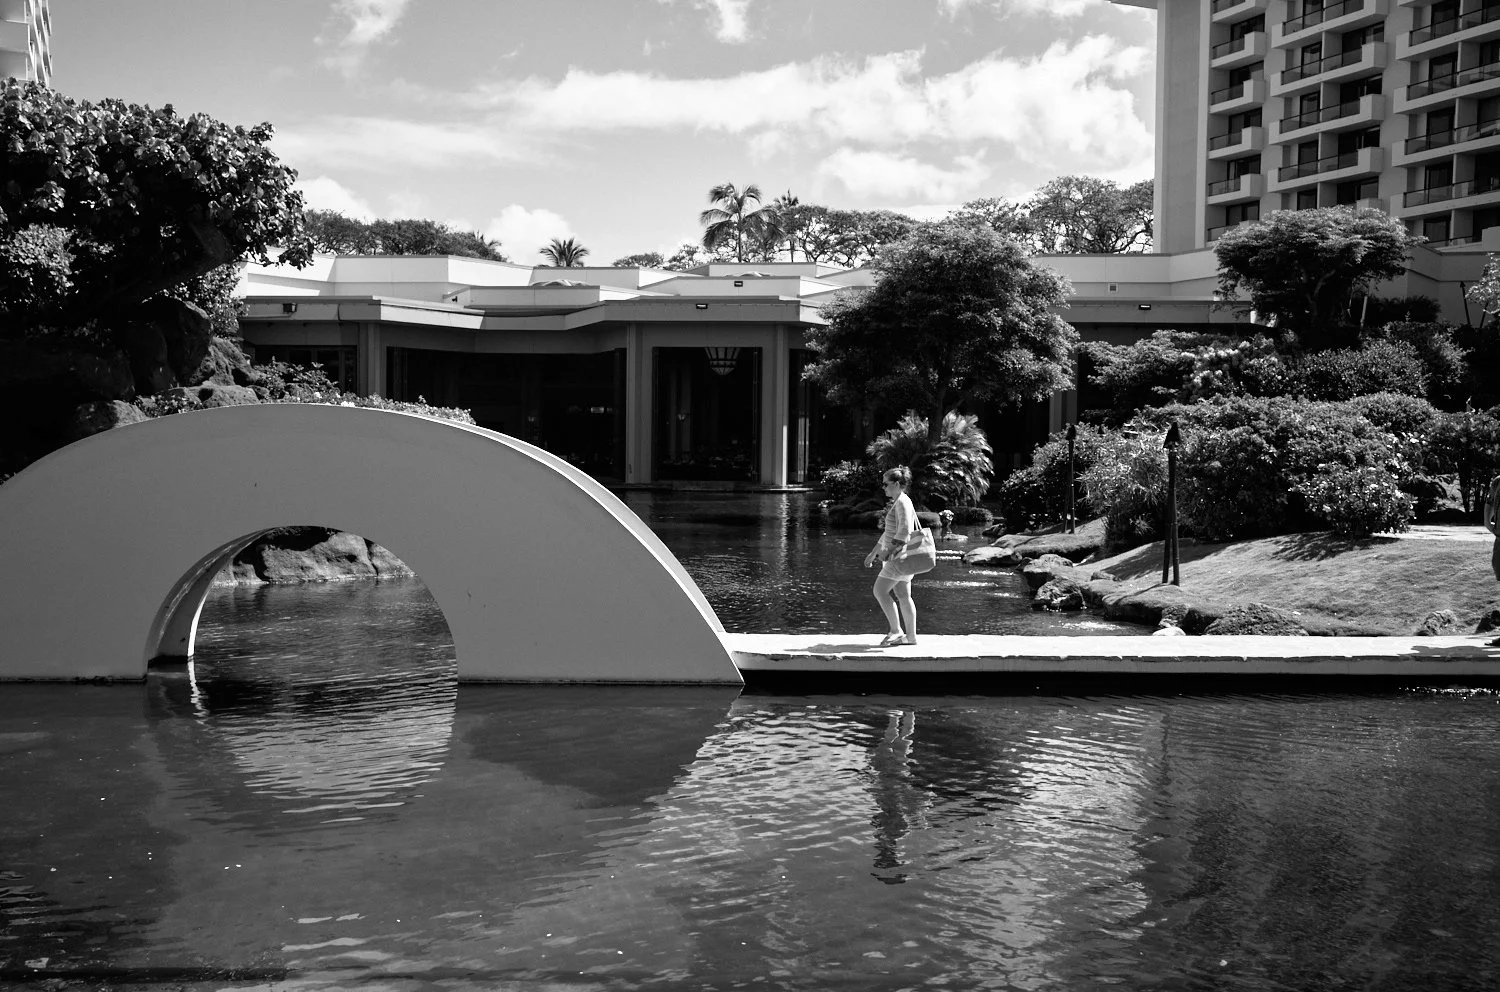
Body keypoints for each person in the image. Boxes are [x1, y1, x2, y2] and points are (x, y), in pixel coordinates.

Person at [863, 466, 919, 646]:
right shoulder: (900, 501)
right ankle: (910, 637)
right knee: (903, 594)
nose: (883, 487)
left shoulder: (902, 502)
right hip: (903, 557)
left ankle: (896, 630)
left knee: (879, 591)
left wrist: (887, 552)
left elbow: (904, 532)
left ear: (896, 484)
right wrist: (874, 553)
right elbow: (889, 532)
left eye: (886, 484)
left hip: (897, 557)